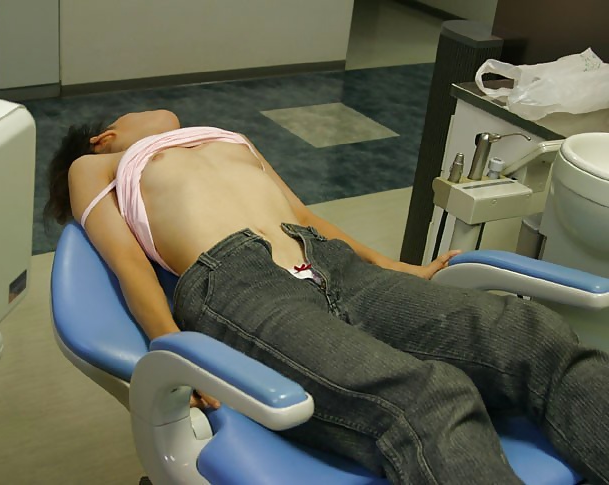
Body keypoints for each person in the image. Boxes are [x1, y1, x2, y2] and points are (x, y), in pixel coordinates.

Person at [44, 109, 609, 485]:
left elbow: (306, 216)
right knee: (427, 398)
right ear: (105, 136)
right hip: (238, 284)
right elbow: (128, 264)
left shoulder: (227, 138)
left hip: (330, 262)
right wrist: (174, 350)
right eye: (122, 117)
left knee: (532, 337)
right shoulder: (98, 164)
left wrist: (399, 269)